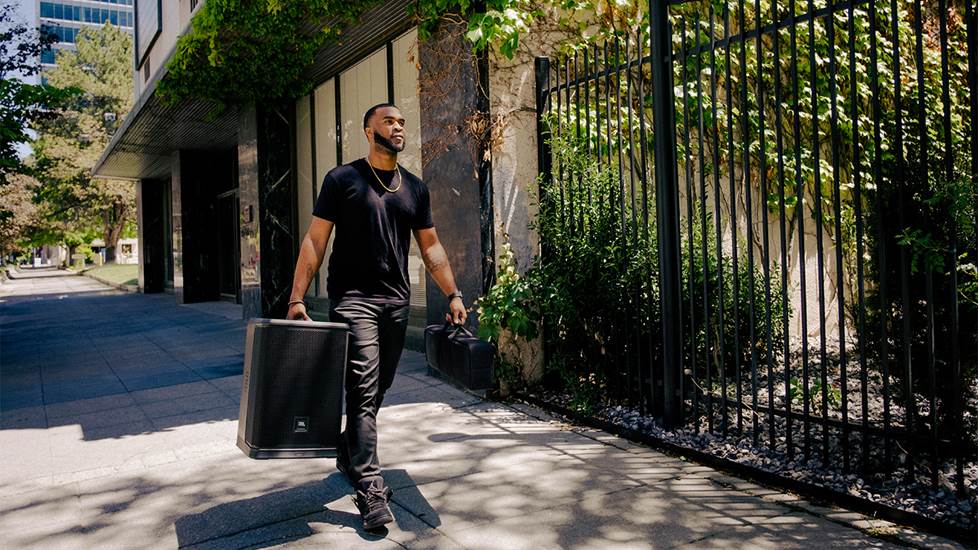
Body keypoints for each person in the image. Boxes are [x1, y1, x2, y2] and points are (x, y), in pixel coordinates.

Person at [286, 103, 467, 531]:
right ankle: (369, 486)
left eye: (402, 122)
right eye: (389, 121)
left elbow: (432, 247)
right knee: (364, 390)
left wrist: (453, 293)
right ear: (369, 130)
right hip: (353, 300)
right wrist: (297, 298)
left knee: (379, 386)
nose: (398, 127)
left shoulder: (415, 189)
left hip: (395, 302)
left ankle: (350, 450)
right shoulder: (341, 179)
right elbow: (315, 241)